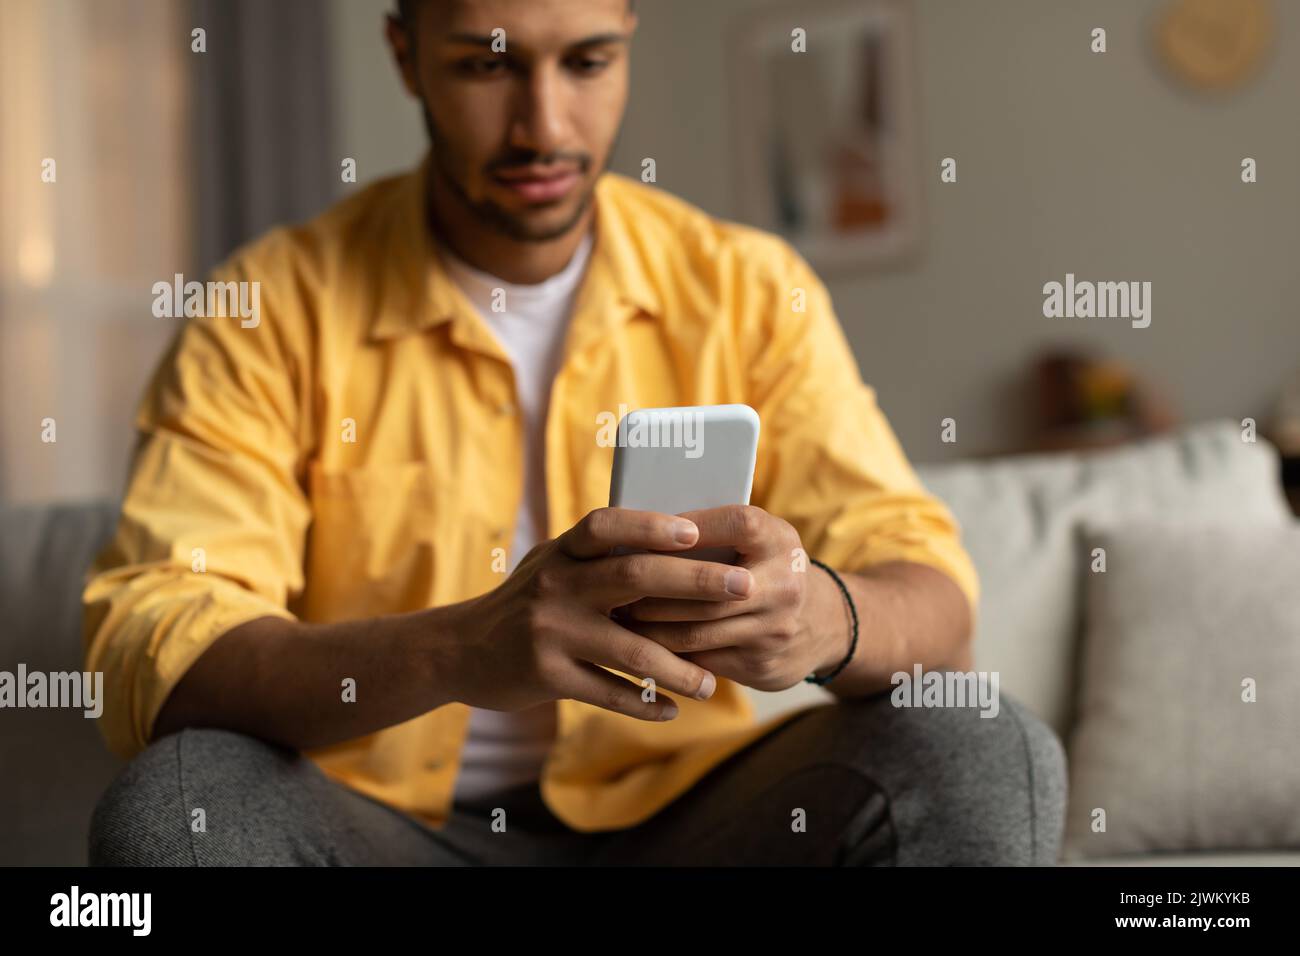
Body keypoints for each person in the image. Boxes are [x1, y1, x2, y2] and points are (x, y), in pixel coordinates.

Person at [84, 0, 1065, 866]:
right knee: (183, 801)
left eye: (587, 62)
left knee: (977, 742)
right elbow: (159, 643)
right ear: (403, 54)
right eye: (486, 63)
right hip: (374, 827)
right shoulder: (267, 306)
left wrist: (827, 617)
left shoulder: (748, 290)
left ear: (629, 42)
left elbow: (931, 592)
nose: (543, 125)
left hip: (692, 818)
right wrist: (460, 647)